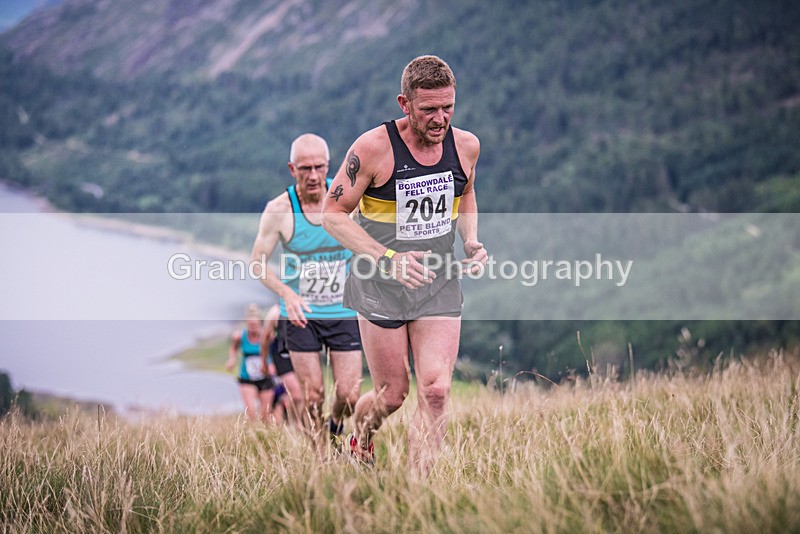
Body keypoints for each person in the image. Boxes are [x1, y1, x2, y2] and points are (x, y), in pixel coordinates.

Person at [321, 55, 488, 475]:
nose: (440, 119)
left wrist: (470, 239)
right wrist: (388, 260)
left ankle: (418, 494)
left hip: (437, 282)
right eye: (429, 109)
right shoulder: (373, 148)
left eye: (448, 107)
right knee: (392, 394)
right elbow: (332, 215)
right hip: (379, 284)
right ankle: (361, 437)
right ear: (404, 103)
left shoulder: (466, 146)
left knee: (436, 391)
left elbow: (466, 192)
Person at [251, 133, 363, 447]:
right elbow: (257, 263)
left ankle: (336, 427)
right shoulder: (279, 210)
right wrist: (286, 294)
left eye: (319, 167)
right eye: (305, 169)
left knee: (350, 395)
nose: (313, 176)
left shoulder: (347, 200)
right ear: (292, 169)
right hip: (301, 315)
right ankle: (320, 460)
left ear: (328, 165)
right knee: (312, 396)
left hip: (343, 311)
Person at [226, 303, 278, 423]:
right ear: (247, 323)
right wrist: (232, 359)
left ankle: (264, 434)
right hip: (247, 377)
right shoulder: (239, 336)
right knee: (251, 414)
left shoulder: (268, 335)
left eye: (255, 324)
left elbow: (275, 350)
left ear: (260, 322)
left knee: (266, 415)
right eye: (250, 324)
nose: (253, 327)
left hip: (265, 376)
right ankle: (253, 433)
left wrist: (272, 365)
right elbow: (233, 348)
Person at [261, 303, 302, 423]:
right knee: (297, 394)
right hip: (282, 355)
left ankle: (295, 422)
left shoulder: (304, 305)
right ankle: (289, 420)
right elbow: (265, 338)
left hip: (300, 353)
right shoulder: (275, 311)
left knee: (303, 395)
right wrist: (265, 362)